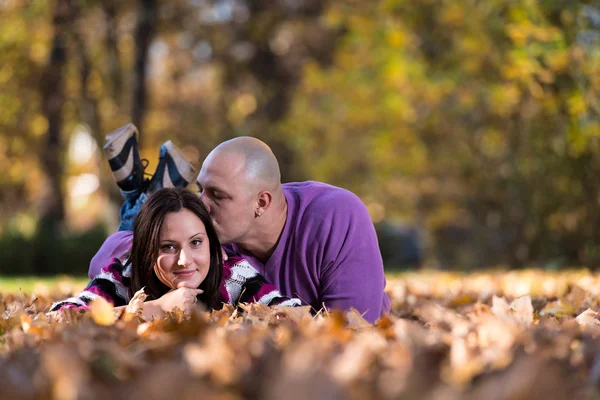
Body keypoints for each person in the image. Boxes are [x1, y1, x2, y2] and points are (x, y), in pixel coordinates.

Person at [91, 128, 389, 322]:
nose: (201, 205)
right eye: (200, 190)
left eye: (217, 195)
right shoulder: (211, 236)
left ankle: (145, 198)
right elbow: (106, 266)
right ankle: (146, 203)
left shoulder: (336, 217)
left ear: (261, 203)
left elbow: (354, 328)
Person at [51, 188, 300, 317]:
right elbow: (59, 319)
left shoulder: (232, 274)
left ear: (213, 245)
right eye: (168, 247)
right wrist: (153, 309)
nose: (184, 261)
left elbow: (298, 315)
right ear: (148, 251)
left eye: (196, 243)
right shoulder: (123, 275)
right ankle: (136, 197)